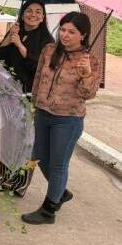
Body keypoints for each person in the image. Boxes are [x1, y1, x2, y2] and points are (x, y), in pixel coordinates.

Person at [22, 12, 100, 225]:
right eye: (63, 30)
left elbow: (88, 94)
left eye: (71, 32)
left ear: (83, 35)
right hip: (43, 113)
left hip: (67, 120)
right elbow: (38, 78)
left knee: (58, 165)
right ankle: (61, 192)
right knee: (39, 157)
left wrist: (86, 74)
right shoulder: (49, 50)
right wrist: (34, 105)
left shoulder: (90, 60)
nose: (65, 35)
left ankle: (49, 211)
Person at [0, 0, 55, 196]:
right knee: (8, 137)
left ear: (43, 17)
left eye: (38, 12)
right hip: (8, 91)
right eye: (29, 10)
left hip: (29, 94)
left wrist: (19, 45)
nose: (33, 14)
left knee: (26, 139)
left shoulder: (47, 40)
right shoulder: (16, 30)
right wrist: (10, 38)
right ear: (22, 13)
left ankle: (21, 183)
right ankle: (5, 178)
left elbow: (39, 66)